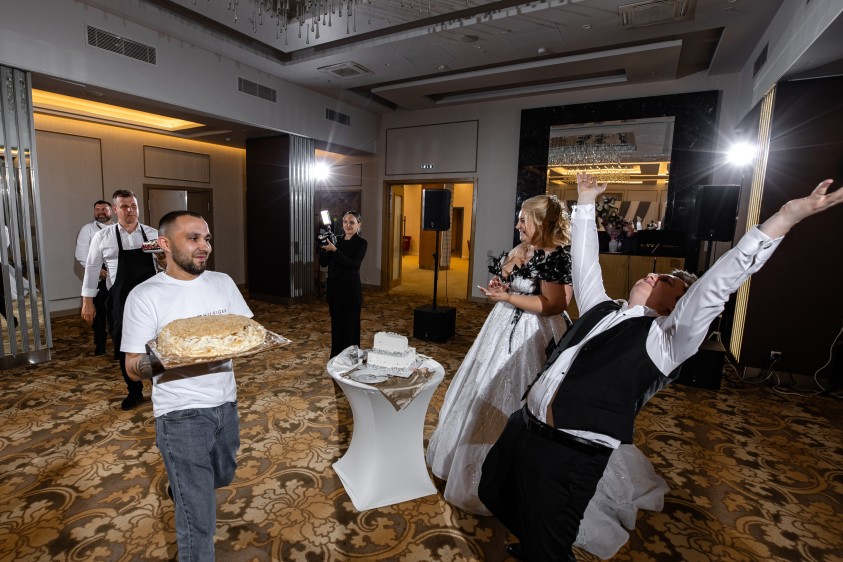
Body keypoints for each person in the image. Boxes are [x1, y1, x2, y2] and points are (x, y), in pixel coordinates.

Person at [478, 174, 843, 562]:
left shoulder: (667, 340)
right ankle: (533, 541)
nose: (654, 274)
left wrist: (785, 217)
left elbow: (717, 285)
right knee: (493, 490)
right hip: (525, 424)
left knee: (550, 544)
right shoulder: (601, 307)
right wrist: (585, 200)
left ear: (677, 306)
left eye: (666, 280)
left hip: (570, 452)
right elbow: (585, 261)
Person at [426, 194, 573, 515]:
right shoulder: (521, 248)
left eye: (523, 220)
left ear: (541, 222)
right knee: (481, 387)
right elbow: (512, 283)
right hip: (501, 326)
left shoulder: (556, 255)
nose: (518, 225)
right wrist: (501, 286)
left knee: (519, 397)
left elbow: (555, 304)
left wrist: (507, 297)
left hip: (533, 334)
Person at [122, 210, 252, 562]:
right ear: (164, 244)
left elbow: (244, 332)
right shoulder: (145, 295)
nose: (204, 246)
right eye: (193, 238)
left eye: (206, 238)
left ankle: (182, 487)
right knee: (199, 518)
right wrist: (179, 356)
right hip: (180, 414)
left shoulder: (223, 283)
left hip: (226, 404)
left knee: (222, 475)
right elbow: (132, 368)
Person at [81, 189, 162, 410]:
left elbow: (165, 266)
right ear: (115, 210)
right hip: (120, 300)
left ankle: (160, 389)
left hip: (152, 301)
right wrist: (87, 301)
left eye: (133, 206)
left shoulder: (153, 234)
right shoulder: (102, 237)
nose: (130, 210)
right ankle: (134, 391)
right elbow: (92, 268)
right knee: (125, 346)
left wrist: (163, 259)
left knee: (156, 346)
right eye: (124, 206)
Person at [319, 211, 367, 358]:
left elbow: (353, 265)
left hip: (350, 292)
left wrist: (335, 250)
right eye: (345, 221)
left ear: (359, 224)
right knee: (337, 329)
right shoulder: (336, 240)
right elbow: (323, 263)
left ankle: (350, 361)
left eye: (352, 222)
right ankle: (335, 360)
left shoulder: (361, 243)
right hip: (334, 292)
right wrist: (323, 247)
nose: (348, 225)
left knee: (350, 330)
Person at [75, 200, 114, 355]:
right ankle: (100, 344)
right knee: (98, 314)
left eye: (104, 209)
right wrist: (98, 270)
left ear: (112, 211)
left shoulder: (118, 228)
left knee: (116, 312)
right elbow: (81, 253)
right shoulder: (88, 229)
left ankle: (119, 346)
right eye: (97, 209)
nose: (100, 212)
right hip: (98, 277)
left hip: (116, 276)